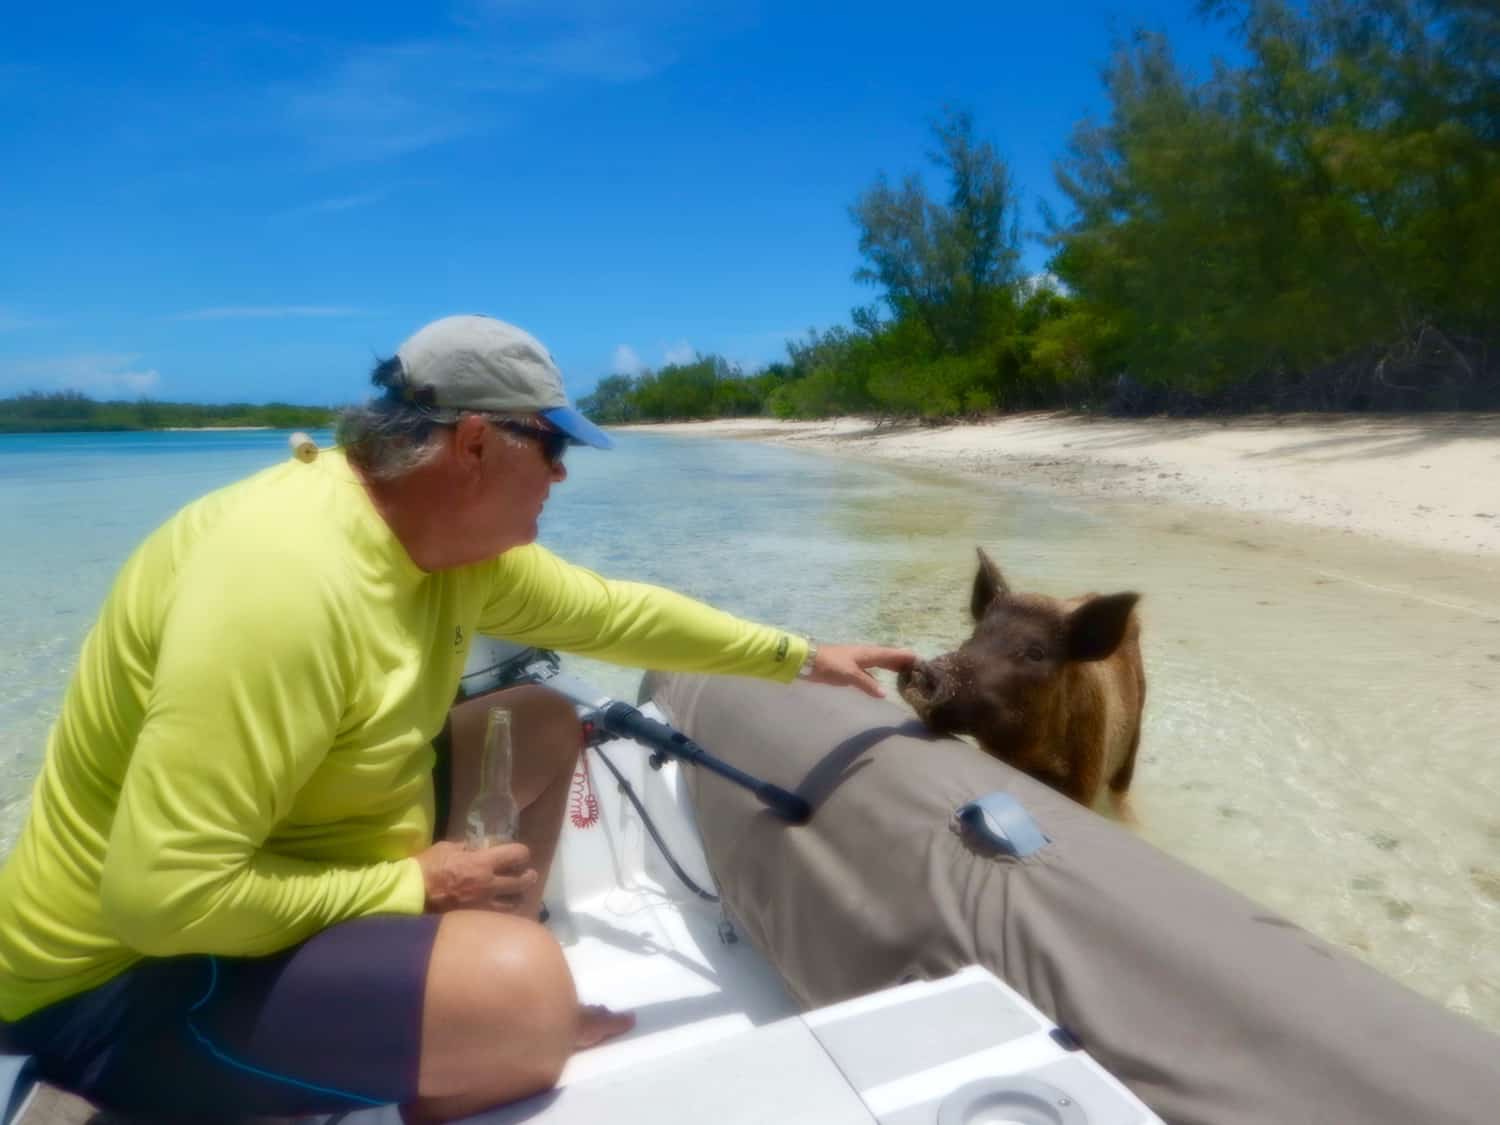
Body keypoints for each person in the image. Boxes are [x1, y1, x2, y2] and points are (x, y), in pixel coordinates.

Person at [0, 315, 915, 1122]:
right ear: (475, 443)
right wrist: (414, 887)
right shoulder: (285, 586)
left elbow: (615, 613)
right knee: (527, 1006)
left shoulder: (439, 547)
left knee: (547, 723)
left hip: (311, 858)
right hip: (123, 980)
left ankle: (469, 996)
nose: (561, 475)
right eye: (553, 448)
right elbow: (161, 900)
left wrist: (801, 655)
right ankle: (482, 1031)